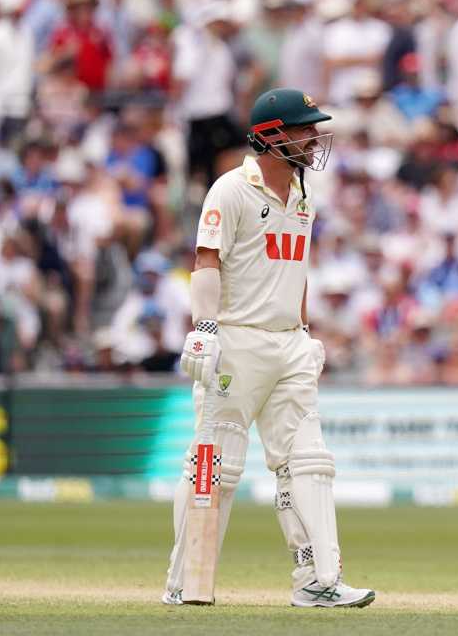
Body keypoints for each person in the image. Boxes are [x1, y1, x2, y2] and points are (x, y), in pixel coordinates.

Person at [162, 88, 375, 608]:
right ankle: (184, 581)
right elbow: (206, 260)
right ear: (273, 135)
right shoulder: (230, 190)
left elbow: (294, 271)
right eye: (304, 129)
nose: (313, 138)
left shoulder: (303, 194)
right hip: (235, 342)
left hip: (288, 347)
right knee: (218, 466)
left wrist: (305, 331)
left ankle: (317, 580)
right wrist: (205, 329)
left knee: (308, 463)